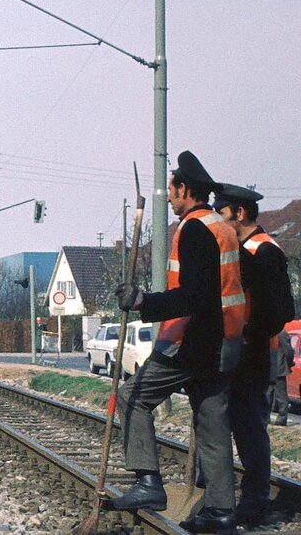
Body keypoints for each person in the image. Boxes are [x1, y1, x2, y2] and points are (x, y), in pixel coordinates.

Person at [111, 151, 248, 534]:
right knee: (212, 426)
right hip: (223, 344)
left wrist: (143, 302)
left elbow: (194, 296)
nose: (169, 197)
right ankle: (222, 511)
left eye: (172, 190)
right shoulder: (220, 226)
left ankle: (148, 484)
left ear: (185, 188)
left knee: (132, 397)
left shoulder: (192, 229)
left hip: (190, 343)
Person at [212, 182, 296, 524]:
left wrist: (249, 334)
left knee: (249, 428)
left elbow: (281, 311)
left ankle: (256, 499)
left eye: (222, 212)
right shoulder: (240, 250)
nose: (217, 218)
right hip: (234, 352)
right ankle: (224, 496)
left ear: (240, 213)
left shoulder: (265, 251)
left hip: (254, 355)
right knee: (225, 422)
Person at [273, 331, 294, 426]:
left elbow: (288, 351)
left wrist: (289, 363)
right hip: (271, 367)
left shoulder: (281, 333)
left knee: (280, 394)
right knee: (268, 393)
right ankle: (267, 415)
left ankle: (282, 417)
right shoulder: (271, 330)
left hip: (278, 368)